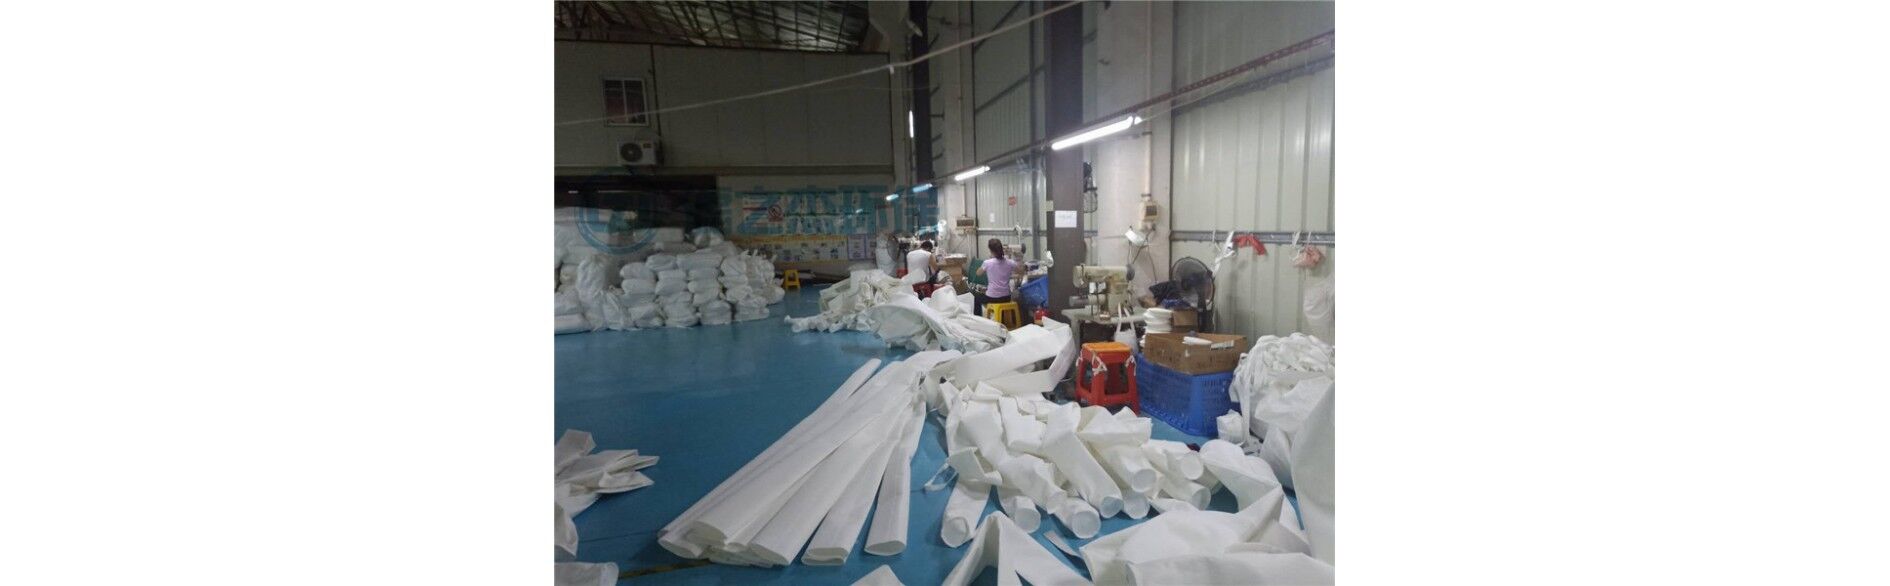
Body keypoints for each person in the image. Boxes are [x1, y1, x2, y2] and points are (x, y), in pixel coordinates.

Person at [975, 238, 1021, 317]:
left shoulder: (987, 263)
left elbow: (978, 273)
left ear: (991, 251)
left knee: (976, 298)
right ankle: (1002, 318)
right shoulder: (1010, 262)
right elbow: (1021, 271)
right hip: (1006, 297)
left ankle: (979, 320)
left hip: (992, 297)